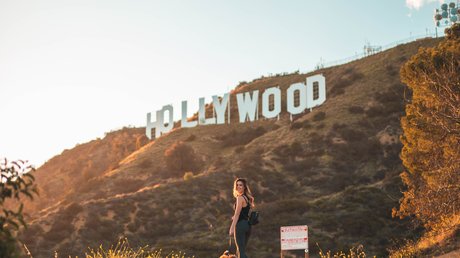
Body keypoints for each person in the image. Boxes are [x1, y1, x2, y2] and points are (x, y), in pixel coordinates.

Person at [229, 178, 254, 258]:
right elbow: (244, 212)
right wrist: (235, 217)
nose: (238, 186)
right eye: (237, 185)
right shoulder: (248, 198)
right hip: (248, 226)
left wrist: (232, 228)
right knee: (241, 251)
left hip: (240, 226)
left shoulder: (240, 198)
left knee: (241, 252)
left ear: (244, 187)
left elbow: (237, 214)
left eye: (240, 185)